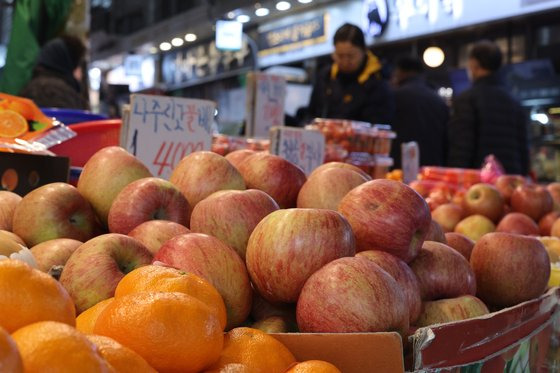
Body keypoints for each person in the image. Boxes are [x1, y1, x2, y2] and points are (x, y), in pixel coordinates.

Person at [447, 40, 530, 175]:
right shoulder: (514, 101)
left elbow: (461, 148)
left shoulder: (467, 99)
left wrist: (456, 179)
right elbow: (523, 149)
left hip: (479, 182)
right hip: (512, 182)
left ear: (474, 63)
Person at [306, 23, 394, 124]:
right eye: (340, 56)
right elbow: (311, 113)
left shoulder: (378, 82)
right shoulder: (325, 76)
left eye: (351, 56)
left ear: (364, 51)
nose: (345, 61)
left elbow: (378, 127)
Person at [390, 56, 449, 168]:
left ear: (401, 72)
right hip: (432, 165)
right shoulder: (438, 99)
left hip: (401, 165)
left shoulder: (395, 96)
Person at [19, 35, 89, 110]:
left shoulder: (29, 88)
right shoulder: (60, 93)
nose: (81, 73)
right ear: (69, 63)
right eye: (79, 65)